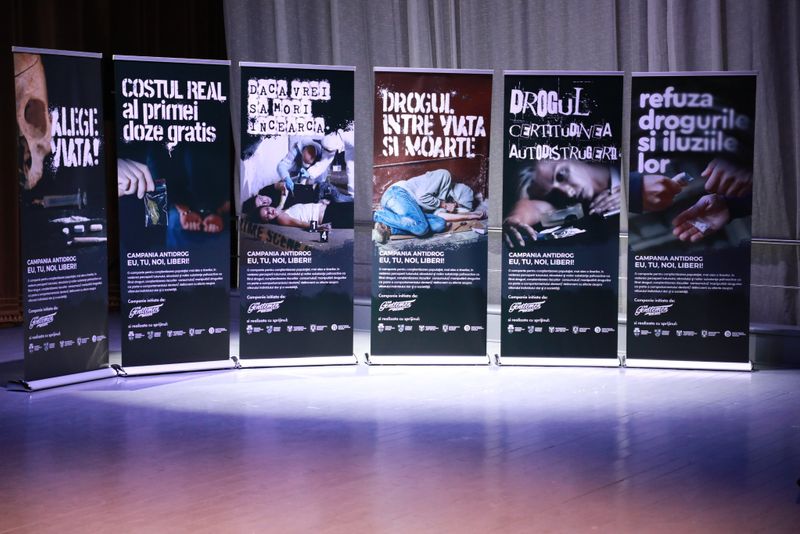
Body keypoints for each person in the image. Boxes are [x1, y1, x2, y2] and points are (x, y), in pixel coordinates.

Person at [503, 159, 620, 248]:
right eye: (555, 195)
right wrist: (515, 219)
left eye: (561, 176)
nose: (568, 193)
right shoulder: (576, 211)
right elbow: (533, 208)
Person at [371, 169, 486, 244]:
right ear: (456, 197)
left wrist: (470, 216)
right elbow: (422, 197)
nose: (455, 209)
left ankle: (388, 227)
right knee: (422, 228)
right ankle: (379, 215)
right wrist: (445, 205)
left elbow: (441, 216)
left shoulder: (441, 201)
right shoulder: (444, 176)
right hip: (398, 194)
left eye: (458, 208)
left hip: (403, 209)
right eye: (458, 205)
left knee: (440, 224)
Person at [252, 199, 353, 230]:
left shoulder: (282, 209)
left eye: (267, 209)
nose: (270, 212)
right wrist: (318, 227)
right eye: (267, 215)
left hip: (329, 207)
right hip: (329, 215)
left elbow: (304, 210)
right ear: (267, 220)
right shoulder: (281, 218)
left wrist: (320, 203)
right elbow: (300, 223)